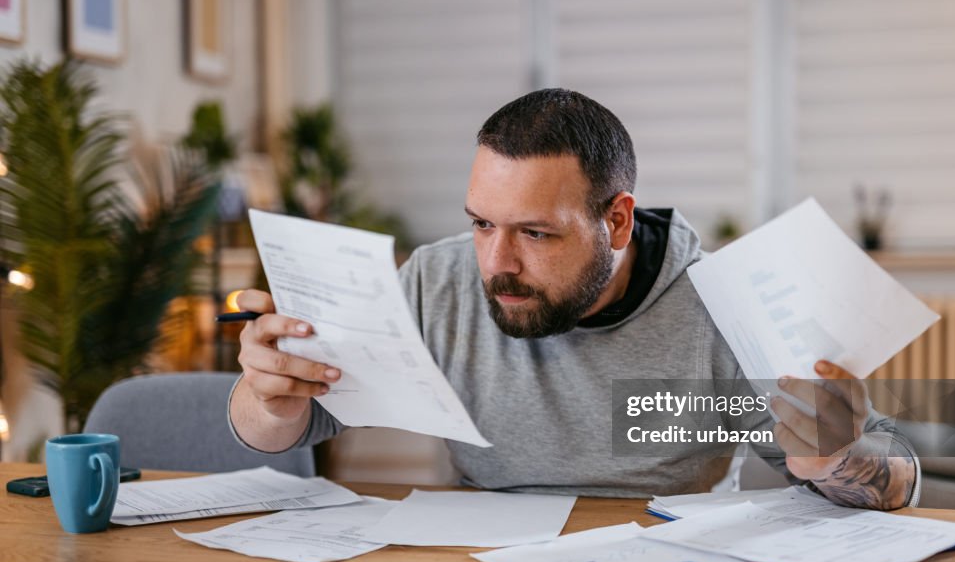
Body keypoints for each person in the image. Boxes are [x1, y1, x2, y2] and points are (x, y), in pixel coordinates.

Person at [228, 88, 918, 509]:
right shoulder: (438, 282)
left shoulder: (723, 307)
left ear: (616, 220)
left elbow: (900, 478)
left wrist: (832, 459)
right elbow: (285, 429)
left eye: (535, 233)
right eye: (481, 223)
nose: (497, 264)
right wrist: (267, 397)